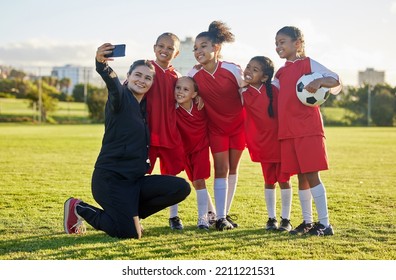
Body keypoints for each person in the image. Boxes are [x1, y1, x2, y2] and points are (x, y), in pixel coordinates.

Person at [63, 43, 191, 239]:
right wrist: (101, 64)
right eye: (137, 75)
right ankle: (78, 207)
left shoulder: (144, 108)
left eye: (147, 78)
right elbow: (112, 83)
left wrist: (193, 100)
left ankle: (130, 216)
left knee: (180, 187)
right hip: (111, 181)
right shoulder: (121, 99)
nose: (142, 80)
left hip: (135, 182)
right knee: (129, 233)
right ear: (129, 77)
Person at [273, 26, 342, 236]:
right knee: (301, 176)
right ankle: (307, 222)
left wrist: (319, 80)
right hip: (288, 131)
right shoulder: (281, 72)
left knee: (312, 175)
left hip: (308, 129)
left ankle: (325, 224)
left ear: (298, 43)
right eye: (276, 43)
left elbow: (335, 79)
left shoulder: (308, 64)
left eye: (282, 42)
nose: (278, 46)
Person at [188, 21, 245, 231]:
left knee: (233, 169)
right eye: (195, 48)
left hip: (239, 127)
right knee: (221, 168)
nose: (198, 51)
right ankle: (220, 218)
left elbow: (247, 93)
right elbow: (183, 91)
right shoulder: (194, 74)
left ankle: (224, 215)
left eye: (203, 46)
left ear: (216, 48)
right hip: (216, 129)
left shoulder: (232, 69)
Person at [242, 56, 293, 232]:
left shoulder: (275, 89)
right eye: (248, 66)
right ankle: (271, 218)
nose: (249, 71)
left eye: (255, 70)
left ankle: (286, 219)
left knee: (284, 180)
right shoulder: (243, 93)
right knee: (269, 181)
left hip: (280, 142)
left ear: (264, 77)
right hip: (262, 144)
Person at [145, 32, 187, 230]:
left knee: (172, 178)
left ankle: (174, 216)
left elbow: (186, 95)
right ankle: (134, 213)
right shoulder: (145, 69)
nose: (165, 50)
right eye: (161, 46)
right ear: (154, 47)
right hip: (147, 135)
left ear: (176, 53)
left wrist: (197, 98)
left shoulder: (176, 76)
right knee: (139, 176)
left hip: (170, 134)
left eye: (170, 48)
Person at [174, 76, 213, 230]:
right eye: (178, 88)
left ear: (194, 94)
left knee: (200, 180)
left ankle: (203, 219)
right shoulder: (173, 108)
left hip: (201, 148)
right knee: (195, 183)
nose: (180, 92)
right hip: (184, 150)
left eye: (185, 89)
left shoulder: (201, 106)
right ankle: (212, 213)